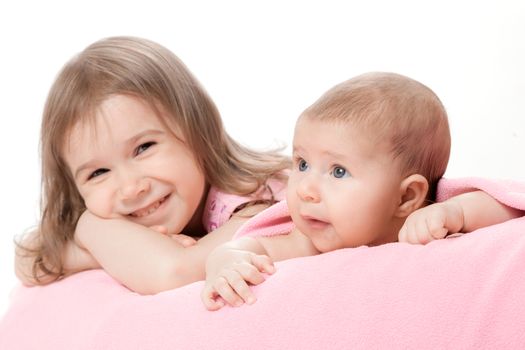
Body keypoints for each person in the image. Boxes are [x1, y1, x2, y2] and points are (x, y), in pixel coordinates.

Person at [201, 72, 523, 310]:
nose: (306, 190)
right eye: (301, 164)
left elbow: (508, 208)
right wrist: (226, 261)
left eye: (338, 171)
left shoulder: (433, 215)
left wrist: (456, 212)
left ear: (407, 196)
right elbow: (248, 247)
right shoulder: (307, 241)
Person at [14, 36, 291, 295]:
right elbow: (28, 257)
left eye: (143, 148)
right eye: (98, 173)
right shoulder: (119, 215)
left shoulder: (257, 203)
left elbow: (175, 272)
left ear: (198, 129)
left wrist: (92, 233)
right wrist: (98, 237)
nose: (131, 188)